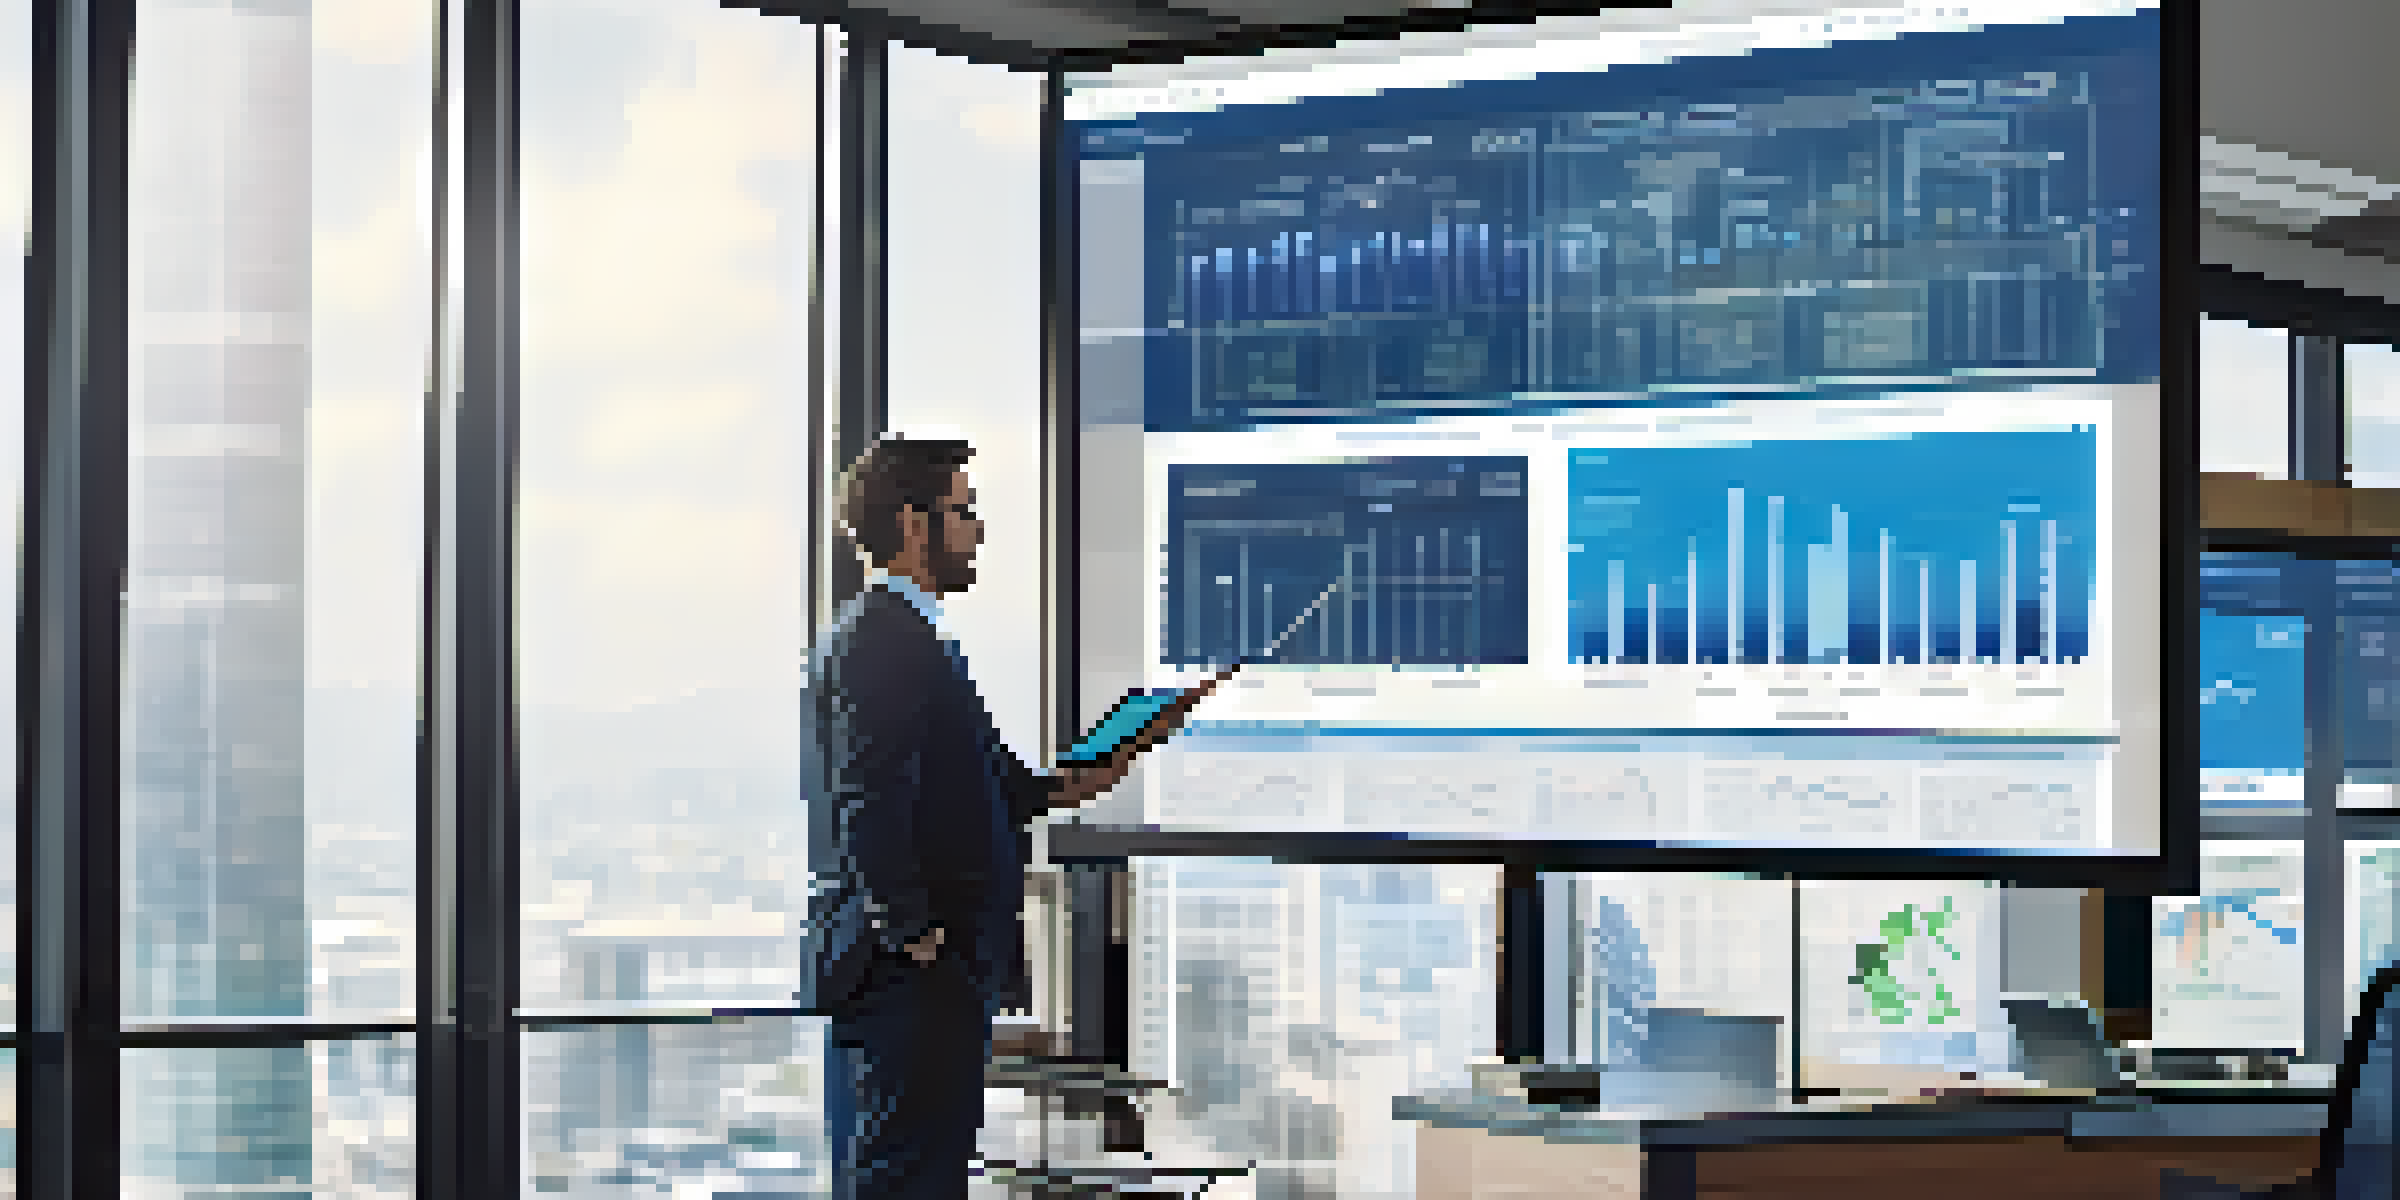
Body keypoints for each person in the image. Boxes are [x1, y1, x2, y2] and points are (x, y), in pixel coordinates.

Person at [800, 436, 1207, 1200]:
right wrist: (913, 933)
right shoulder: (886, 636)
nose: (977, 529)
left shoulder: (909, 636)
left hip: (914, 973)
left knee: (911, 1168)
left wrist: (1083, 778)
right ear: (913, 524)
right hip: (905, 977)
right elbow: (868, 800)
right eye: (964, 510)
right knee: (904, 1176)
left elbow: (994, 789)